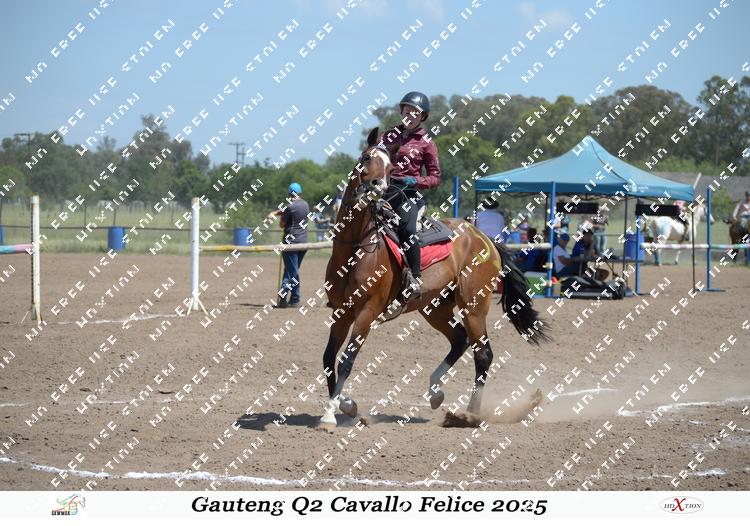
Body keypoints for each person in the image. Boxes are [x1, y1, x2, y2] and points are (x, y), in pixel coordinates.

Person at [381, 91, 441, 300]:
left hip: (408, 194)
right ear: (401, 112)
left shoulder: (426, 142)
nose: (410, 116)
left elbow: (435, 178)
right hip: (384, 190)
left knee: (407, 229)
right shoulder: (388, 136)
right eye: (407, 111)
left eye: (415, 113)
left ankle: (415, 277)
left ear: (422, 116)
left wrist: (415, 181)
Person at [266, 182, 310, 308]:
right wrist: (275, 212)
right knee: (291, 271)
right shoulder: (305, 205)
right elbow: (290, 210)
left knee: (293, 272)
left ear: (289, 193)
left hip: (291, 244)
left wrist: (275, 217)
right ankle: (283, 297)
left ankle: (295, 298)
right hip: (303, 243)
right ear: (300, 193)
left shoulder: (290, 206)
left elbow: (282, 224)